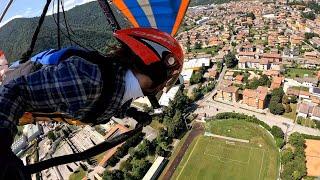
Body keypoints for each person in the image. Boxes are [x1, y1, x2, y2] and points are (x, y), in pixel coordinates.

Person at [0, 28, 184, 179]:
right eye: (167, 78)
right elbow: (14, 92)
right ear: (156, 70)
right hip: (15, 81)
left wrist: (132, 113)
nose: (163, 85)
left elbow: (111, 102)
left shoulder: (120, 86)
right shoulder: (88, 80)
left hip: (37, 106)